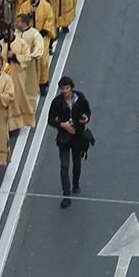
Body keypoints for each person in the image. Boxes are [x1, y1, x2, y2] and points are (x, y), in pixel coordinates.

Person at [48, 76, 91, 208]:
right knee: (64, 166)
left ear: (71, 88)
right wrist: (63, 125)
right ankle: (66, 195)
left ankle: (76, 183)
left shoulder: (80, 98)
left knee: (77, 162)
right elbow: (50, 120)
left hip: (77, 137)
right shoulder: (57, 102)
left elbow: (87, 112)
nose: (65, 91)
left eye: (67, 88)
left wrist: (86, 119)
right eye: (62, 89)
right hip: (64, 139)